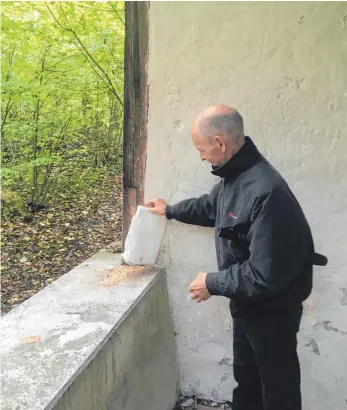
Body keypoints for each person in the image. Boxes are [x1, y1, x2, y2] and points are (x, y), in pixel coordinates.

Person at [145, 105, 327, 410]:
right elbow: (212, 208)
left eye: (202, 149)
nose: (201, 156)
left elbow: (263, 275)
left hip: (272, 312)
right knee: (247, 381)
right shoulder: (235, 175)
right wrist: (171, 210)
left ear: (220, 143)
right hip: (248, 305)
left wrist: (211, 282)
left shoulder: (266, 192)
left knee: (277, 391)